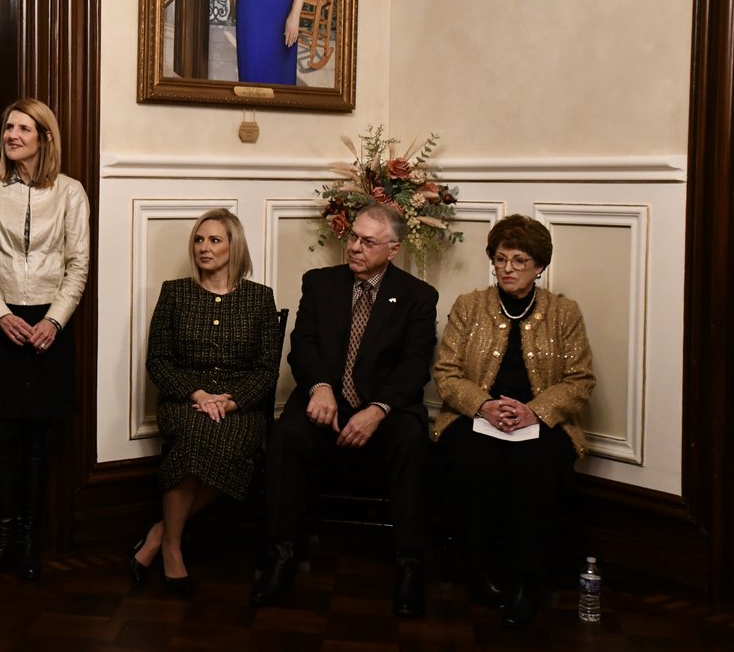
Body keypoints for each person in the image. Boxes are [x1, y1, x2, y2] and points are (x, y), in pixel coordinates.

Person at [251, 202, 438, 615]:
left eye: (367, 241)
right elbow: (304, 346)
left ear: (393, 249)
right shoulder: (320, 284)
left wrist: (379, 408)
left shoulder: (417, 296)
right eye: (352, 237)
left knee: (412, 441)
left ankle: (410, 563)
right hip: (326, 399)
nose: (354, 247)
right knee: (286, 435)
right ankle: (280, 554)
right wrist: (319, 388)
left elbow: (414, 365)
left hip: (385, 407)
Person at [431, 214, 595, 627]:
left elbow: (580, 380)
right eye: (500, 259)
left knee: (537, 468)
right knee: (471, 463)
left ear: (540, 267)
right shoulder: (469, 306)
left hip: (539, 422)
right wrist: (483, 406)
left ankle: (527, 580)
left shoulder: (564, 313)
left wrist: (534, 411)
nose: (507, 268)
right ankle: (480, 571)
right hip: (476, 417)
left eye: (519, 260)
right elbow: (447, 373)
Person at [0, 98, 90, 583]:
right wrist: (0, 315)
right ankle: (1, 543)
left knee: (37, 438)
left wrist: (54, 322)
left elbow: (78, 264)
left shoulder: (71, 192)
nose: (11, 135)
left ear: (45, 137)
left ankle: (28, 543)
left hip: (49, 326)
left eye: (22, 128)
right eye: (8, 127)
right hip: (0, 323)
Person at [129, 209, 280, 598]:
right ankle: (174, 549)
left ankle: (160, 534)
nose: (204, 247)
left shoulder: (260, 298)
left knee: (225, 444)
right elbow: (157, 361)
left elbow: (266, 370)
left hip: (239, 406)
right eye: (199, 239)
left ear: (234, 246)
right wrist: (198, 394)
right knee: (195, 436)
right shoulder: (175, 293)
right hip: (185, 400)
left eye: (215, 240)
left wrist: (230, 403)